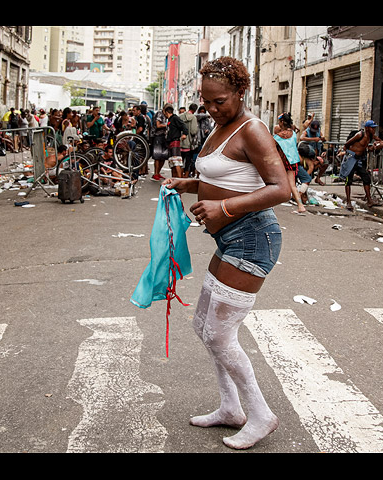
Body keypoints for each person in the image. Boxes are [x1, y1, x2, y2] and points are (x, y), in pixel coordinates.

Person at [162, 56, 289, 450]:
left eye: (220, 101)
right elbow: (225, 177)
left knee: (218, 334)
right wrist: (189, 184)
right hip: (230, 240)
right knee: (203, 326)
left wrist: (224, 209)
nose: (212, 108)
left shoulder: (253, 130)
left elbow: (281, 189)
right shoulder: (219, 128)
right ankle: (231, 409)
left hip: (253, 237)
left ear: (240, 93)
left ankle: (261, 415)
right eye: (206, 101)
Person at [340, 120, 381, 210]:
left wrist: (376, 146)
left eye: (374, 128)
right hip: (351, 158)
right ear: (367, 128)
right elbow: (347, 144)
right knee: (348, 180)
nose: (373, 129)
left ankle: (369, 200)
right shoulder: (360, 135)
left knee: (366, 178)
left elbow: (376, 143)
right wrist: (347, 154)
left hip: (359, 160)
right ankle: (348, 201)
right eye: (372, 128)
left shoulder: (371, 136)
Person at [273, 112, 306, 214]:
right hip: (293, 162)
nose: (278, 125)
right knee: (292, 185)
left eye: (279, 122)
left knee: (273, 183)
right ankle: (300, 206)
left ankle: (269, 205)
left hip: (282, 162)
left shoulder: (279, 136)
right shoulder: (293, 133)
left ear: (282, 122)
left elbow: (270, 145)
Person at [164, 105, 188, 178]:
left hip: (175, 141)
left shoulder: (175, 118)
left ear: (166, 112)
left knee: (176, 162)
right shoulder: (170, 120)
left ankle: (179, 179)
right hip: (170, 142)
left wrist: (184, 134)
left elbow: (184, 126)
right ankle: (174, 179)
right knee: (172, 163)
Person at [179, 103, 199, 177]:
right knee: (188, 162)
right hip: (189, 144)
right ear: (195, 110)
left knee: (180, 162)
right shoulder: (193, 118)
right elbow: (193, 131)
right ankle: (185, 177)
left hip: (180, 141)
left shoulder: (180, 116)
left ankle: (179, 176)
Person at [151, 105, 169, 181]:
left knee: (163, 156)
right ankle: (155, 173)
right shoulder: (159, 114)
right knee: (157, 156)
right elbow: (158, 125)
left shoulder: (165, 115)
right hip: (157, 136)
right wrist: (166, 125)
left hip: (164, 137)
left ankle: (158, 172)